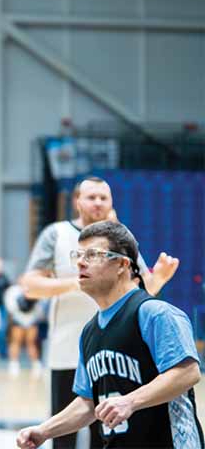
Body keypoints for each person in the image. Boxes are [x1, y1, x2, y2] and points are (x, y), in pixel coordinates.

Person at [20, 176, 179, 449]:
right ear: (76, 202)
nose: (97, 203)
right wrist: (80, 281)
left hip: (119, 347)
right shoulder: (56, 234)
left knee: (109, 433)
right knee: (64, 437)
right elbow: (30, 286)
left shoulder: (120, 238)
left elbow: (141, 288)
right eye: (91, 197)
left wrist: (159, 279)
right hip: (69, 347)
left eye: (103, 197)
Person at [3, 283, 44, 378]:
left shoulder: (34, 289)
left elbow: (39, 307)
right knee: (15, 342)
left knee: (31, 343)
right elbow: (10, 306)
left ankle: (36, 365)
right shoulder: (13, 290)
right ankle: (13, 364)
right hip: (18, 320)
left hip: (31, 320)